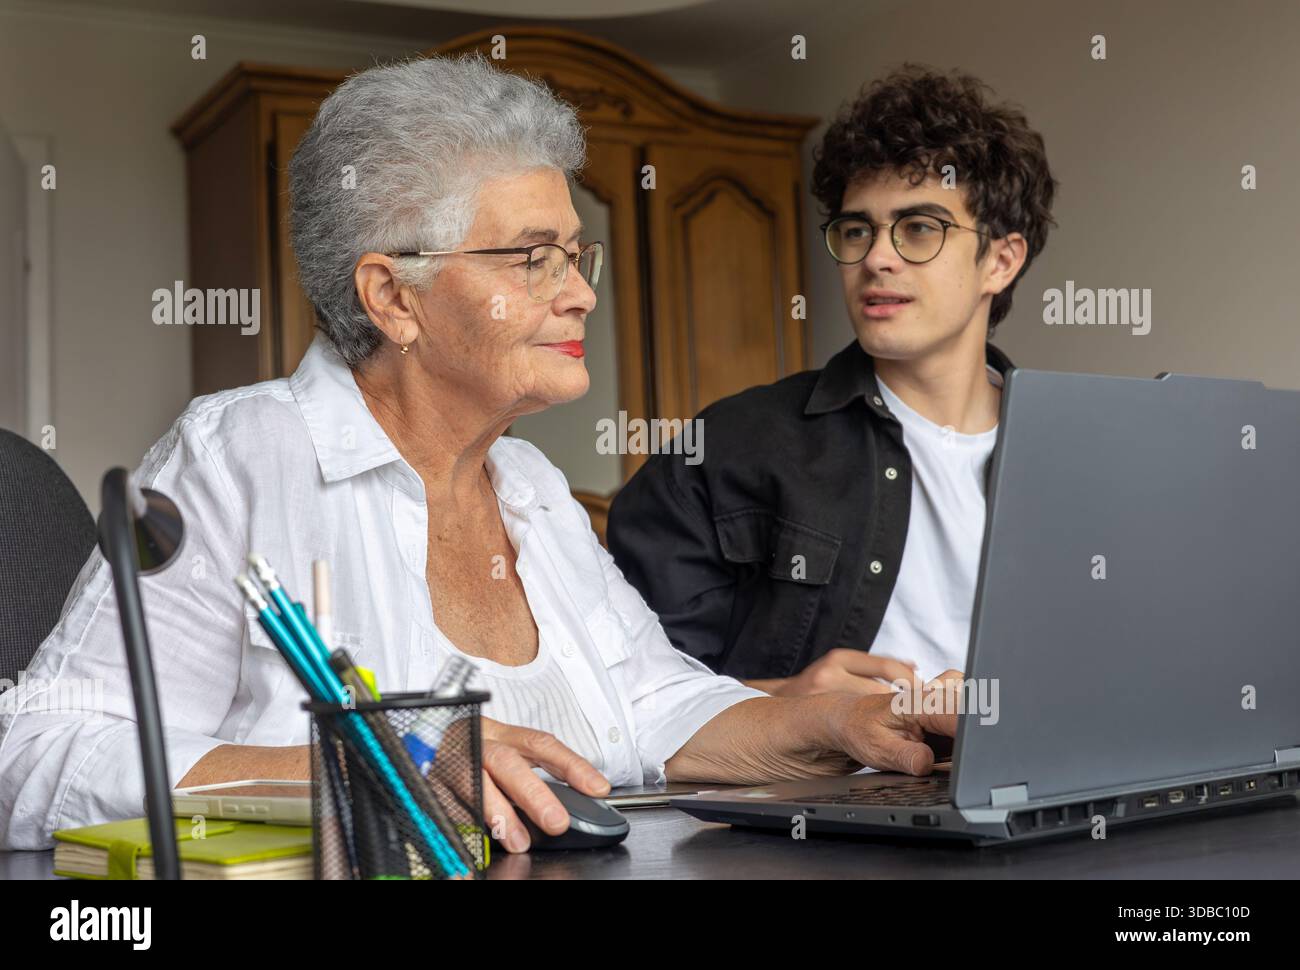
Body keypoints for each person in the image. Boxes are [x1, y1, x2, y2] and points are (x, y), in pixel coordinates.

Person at [0, 54, 954, 853]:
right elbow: (35, 755)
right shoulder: (241, 457)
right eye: (532, 257)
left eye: (578, 257)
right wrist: (381, 762)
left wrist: (835, 724)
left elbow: (655, 709)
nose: (580, 293)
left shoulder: (529, 485)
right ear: (394, 298)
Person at [609, 65, 1057, 696]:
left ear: (1001, 261)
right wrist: (794, 702)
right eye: (857, 229)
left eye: (919, 228)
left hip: (1043, 792)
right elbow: (627, 702)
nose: (877, 256)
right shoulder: (727, 447)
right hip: (819, 790)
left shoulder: (1074, 457)